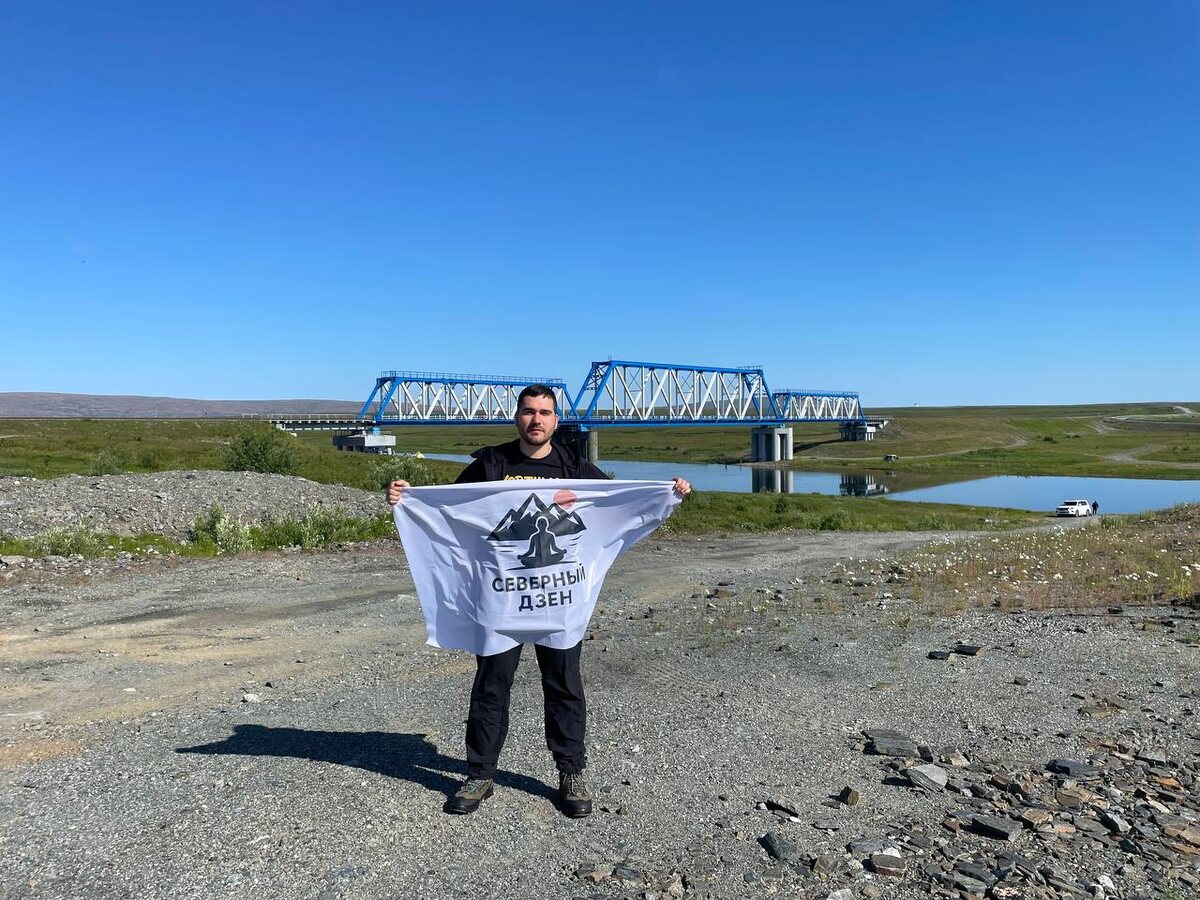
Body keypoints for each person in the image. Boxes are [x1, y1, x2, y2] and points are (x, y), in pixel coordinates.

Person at [387, 384, 691, 818]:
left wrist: (666, 493)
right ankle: (480, 774)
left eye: (545, 412)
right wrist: (408, 500)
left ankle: (571, 773)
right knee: (491, 688)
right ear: (517, 417)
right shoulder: (491, 464)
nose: (536, 420)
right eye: (529, 412)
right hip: (501, 604)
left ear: (555, 419)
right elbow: (448, 513)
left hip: (559, 604)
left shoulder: (574, 466)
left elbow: (617, 504)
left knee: (564, 687)